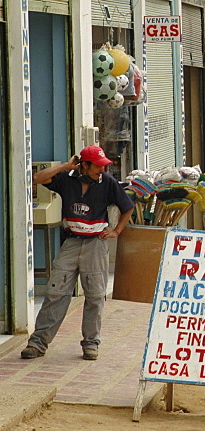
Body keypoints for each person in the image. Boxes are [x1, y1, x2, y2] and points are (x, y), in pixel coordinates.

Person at [21, 145, 135, 361]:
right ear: (84, 164)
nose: (101, 170)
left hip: (96, 245)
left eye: (103, 167)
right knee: (56, 292)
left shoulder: (107, 182)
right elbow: (37, 178)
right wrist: (65, 165)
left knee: (94, 296)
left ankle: (91, 344)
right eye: (97, 167)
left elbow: (127, 206)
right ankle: (37, 343)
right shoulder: (66, 179)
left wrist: (116, 231)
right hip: (71, 243)